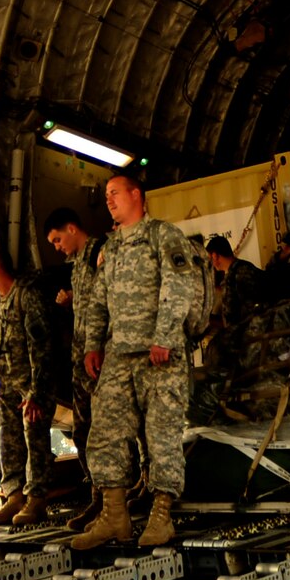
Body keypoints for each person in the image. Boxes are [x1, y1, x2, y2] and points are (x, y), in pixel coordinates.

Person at [73, 170, 201, 550]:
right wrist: (93, 345)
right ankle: (115, 516)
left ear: (137, 195)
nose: (109, 199)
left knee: (160, 434)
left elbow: (179, 285)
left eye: (114, 192)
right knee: (105, 432)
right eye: (106, 194)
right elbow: (98, 300)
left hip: (158, 354)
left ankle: (162, 517)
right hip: (119, 355)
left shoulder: (163, 235)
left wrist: (163, 338)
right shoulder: (109, 248)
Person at [43, 207, 106, 523]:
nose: (56, 247)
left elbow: (109, 305)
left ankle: (123, 496)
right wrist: (69, 302)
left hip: (103, 360)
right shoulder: (77, 266)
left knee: (110, 431)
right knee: (83, 432)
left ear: (71, 228)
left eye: (56, 239)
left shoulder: (101, 253)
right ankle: (99, 494)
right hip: (82, 361)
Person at [0, 247, 50, 526]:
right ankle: (15, 495)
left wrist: (36, 391)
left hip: (30, 382)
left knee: (35, 439)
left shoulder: (26, 296)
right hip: (6, 380)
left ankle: (37, 498)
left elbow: (40, 345)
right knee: (8, 439)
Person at [205, 234, 261, 334]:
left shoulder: (236, 277)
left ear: (215, 256)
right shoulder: (243, 266)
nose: (211, 264)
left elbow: (233, 322)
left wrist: (207, 320)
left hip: (251, 336)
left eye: (210, 259)